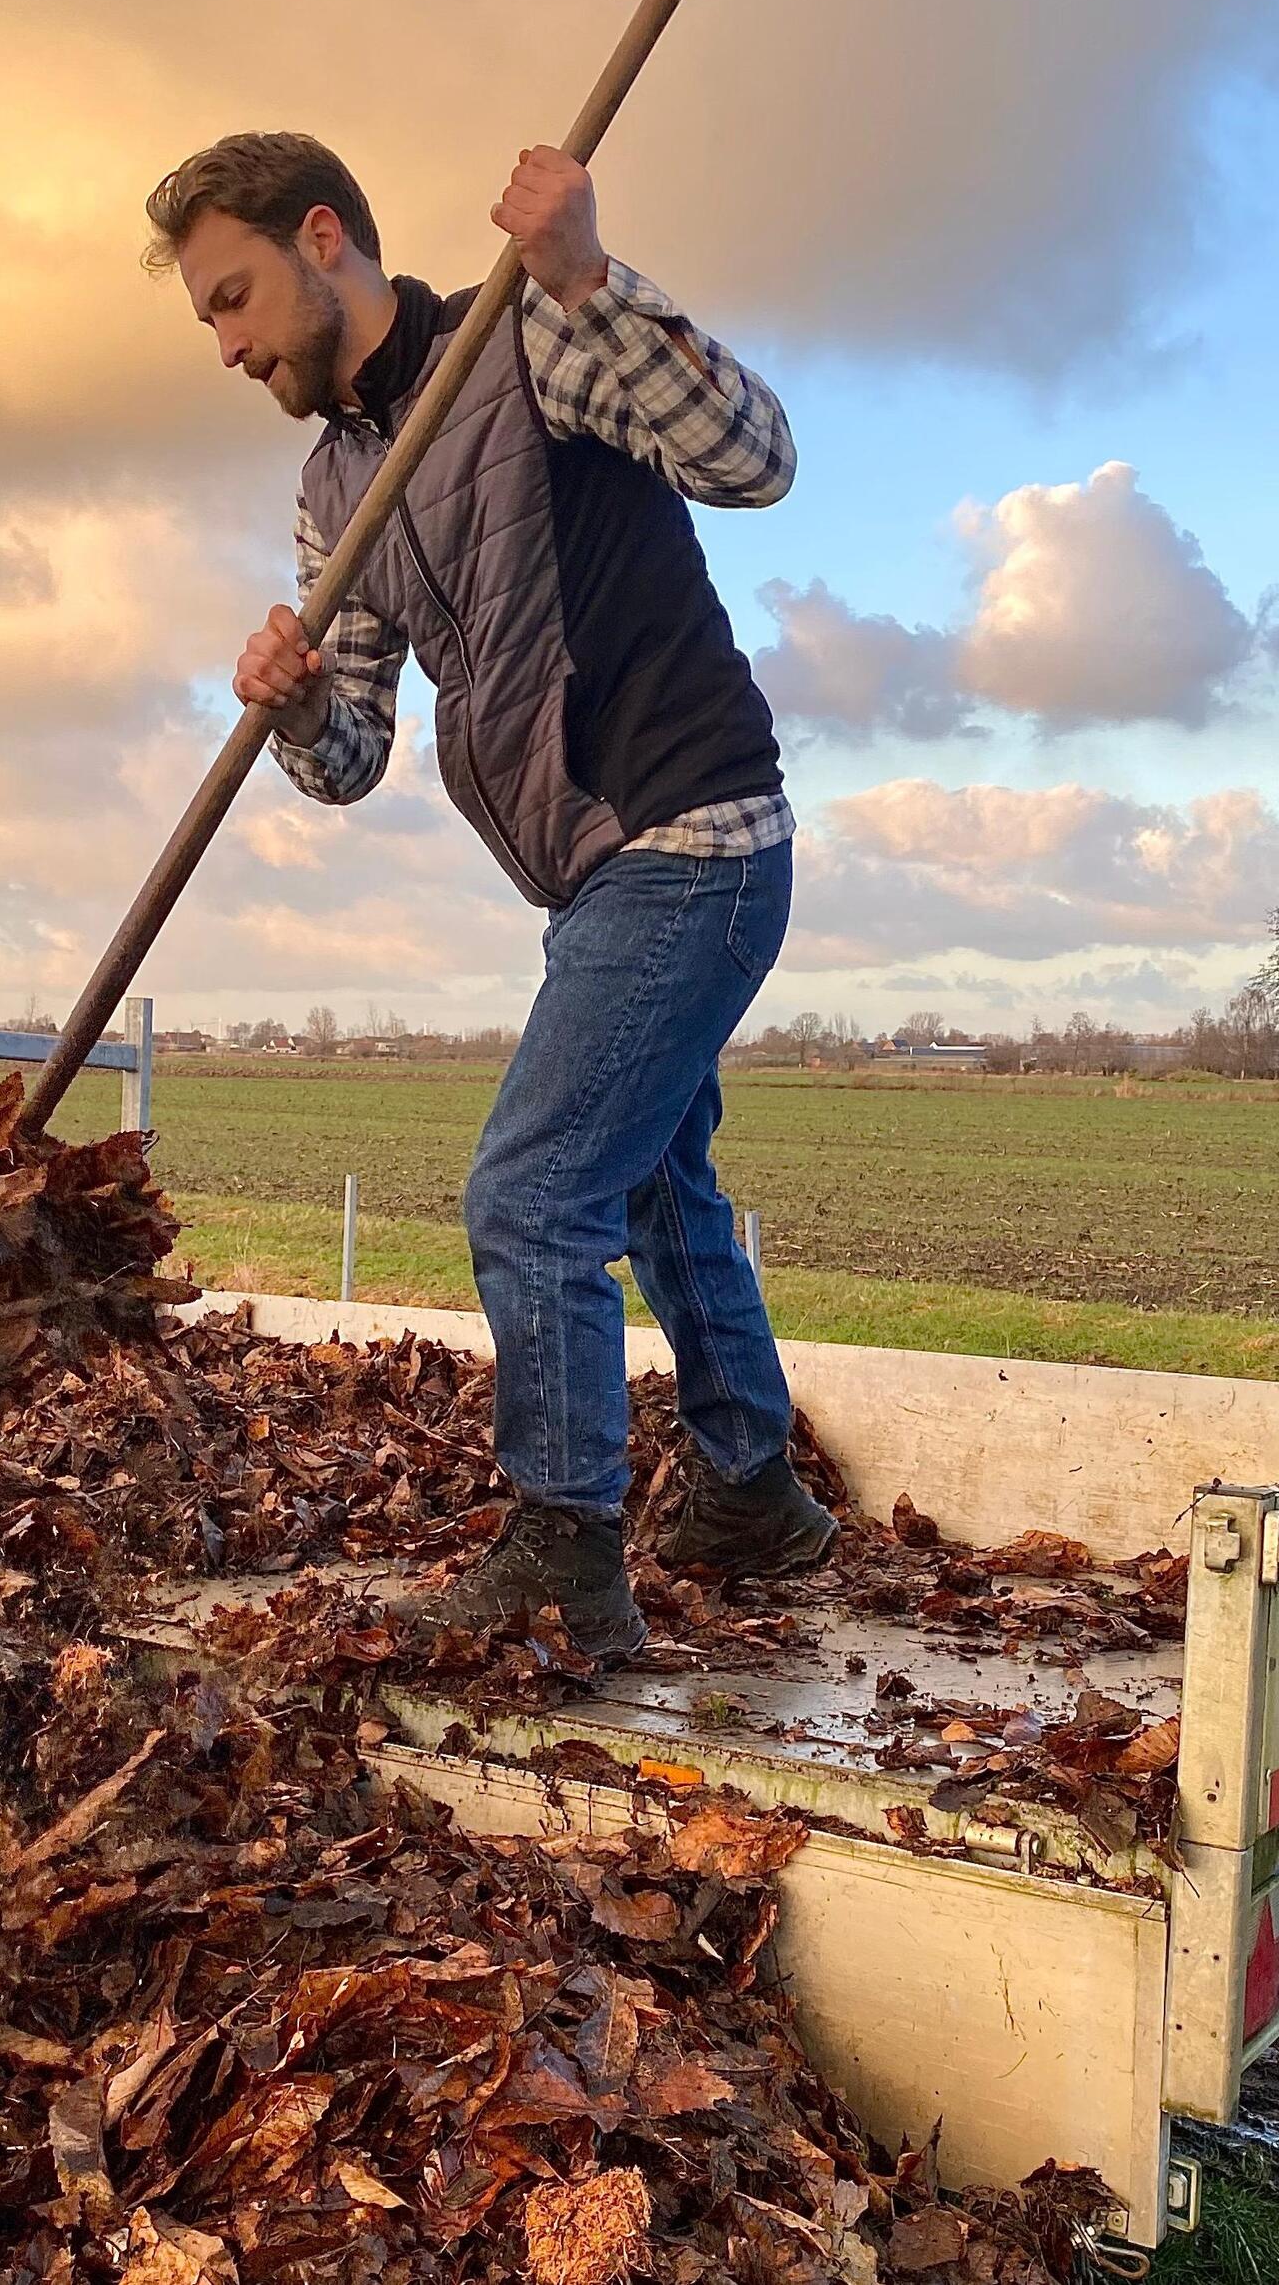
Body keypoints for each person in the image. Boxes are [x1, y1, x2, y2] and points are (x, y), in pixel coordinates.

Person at [145, 131, 838, 1660]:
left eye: (234, 296)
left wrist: (594, 281)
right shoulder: (340, 484)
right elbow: (354, 759)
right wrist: (289, 710)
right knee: (654, 1184)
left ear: (326, 238)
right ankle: (754, 1494)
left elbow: (758, 462)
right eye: (208, 318)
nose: (228, 342)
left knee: (531, 1195)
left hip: (695, 832)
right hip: (597, 875)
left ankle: (567, 1557)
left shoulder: (525, 342)